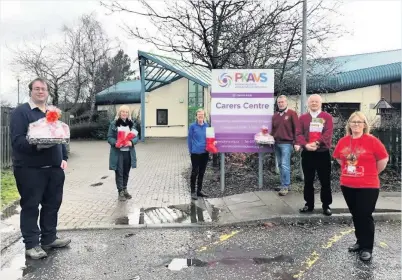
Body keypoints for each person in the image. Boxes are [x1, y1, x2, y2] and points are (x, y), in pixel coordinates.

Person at [10, 77, 71, 260]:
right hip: (29, 169)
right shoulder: (21, 112)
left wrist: (64, 157)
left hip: (54, 168)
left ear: (48, 91)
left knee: (52, 205)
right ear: (31, 91)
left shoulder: (52, 113)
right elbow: (17, 140)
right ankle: (31, 244)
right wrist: (37, 146)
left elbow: (58, 135)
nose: (40, 91)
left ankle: (49, 238)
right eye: (36, 88)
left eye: (43, 88)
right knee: (30, 206)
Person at [333, 111, 388, 261]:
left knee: (365, 216)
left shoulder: (372, 141)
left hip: (368, 186)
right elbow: (339, 159)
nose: (356, 124)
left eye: (359, 122)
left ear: (364, 125)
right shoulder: (343, 141)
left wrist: (371, 172)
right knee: (356, 215)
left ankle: (367, 247)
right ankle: (359, 241)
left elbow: (383, 160)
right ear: (349, 124)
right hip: (348, 185)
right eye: (353, 122)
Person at [296, 94, 333, 216]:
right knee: (308, 181)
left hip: (322, 153)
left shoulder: (327, 117)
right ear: (308, 103)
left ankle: (326, 205)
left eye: (316, 101)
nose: (314, 103)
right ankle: (309, 204)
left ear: (320, 103)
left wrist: (317, 142)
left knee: (325, 181)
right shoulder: (302, 118)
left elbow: (328, 132)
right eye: (312, 101)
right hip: (308, 154)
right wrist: (305, 145)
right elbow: (298, 134)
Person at [107, 105, 139, 201]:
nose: (124, 113)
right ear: (119, 113)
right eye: (122, 112)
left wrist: (131, 142)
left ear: (128, 114)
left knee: (126, 172)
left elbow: (136, 137)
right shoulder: (114, 124)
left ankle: (125, 189)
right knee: (119, 172)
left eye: (126, 112)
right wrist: (115, 143)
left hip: (128, 152)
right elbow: (109, 137)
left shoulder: (131, 124)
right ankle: (120, 191)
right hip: (118, 153)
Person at [271, 95, 300, 196]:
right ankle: (283, 184)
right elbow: (273, 130)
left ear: (286, 102)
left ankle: (285, 186)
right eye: (279, 102)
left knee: (284, 164)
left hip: (287, 144)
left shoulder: (292, 113)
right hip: (277, 143)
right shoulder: (275, 116)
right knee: (280, 165)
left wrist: (297, 142)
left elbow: (297, 128)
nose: (281, 104)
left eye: (282, 102)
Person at [188, 108, 210, 200]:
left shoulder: (207, 126)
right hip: (195, 153)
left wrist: (213, 144)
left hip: (205, 153)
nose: (200, 116)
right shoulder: (192, 126)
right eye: (199, 115)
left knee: (202, 172)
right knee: (195, 172)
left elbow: (209, 138)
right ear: (196, 116)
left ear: (204, 116)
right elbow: (189, 139)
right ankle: (193, 191)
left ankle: (199, 191)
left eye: (202, 115)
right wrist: (190, 150)